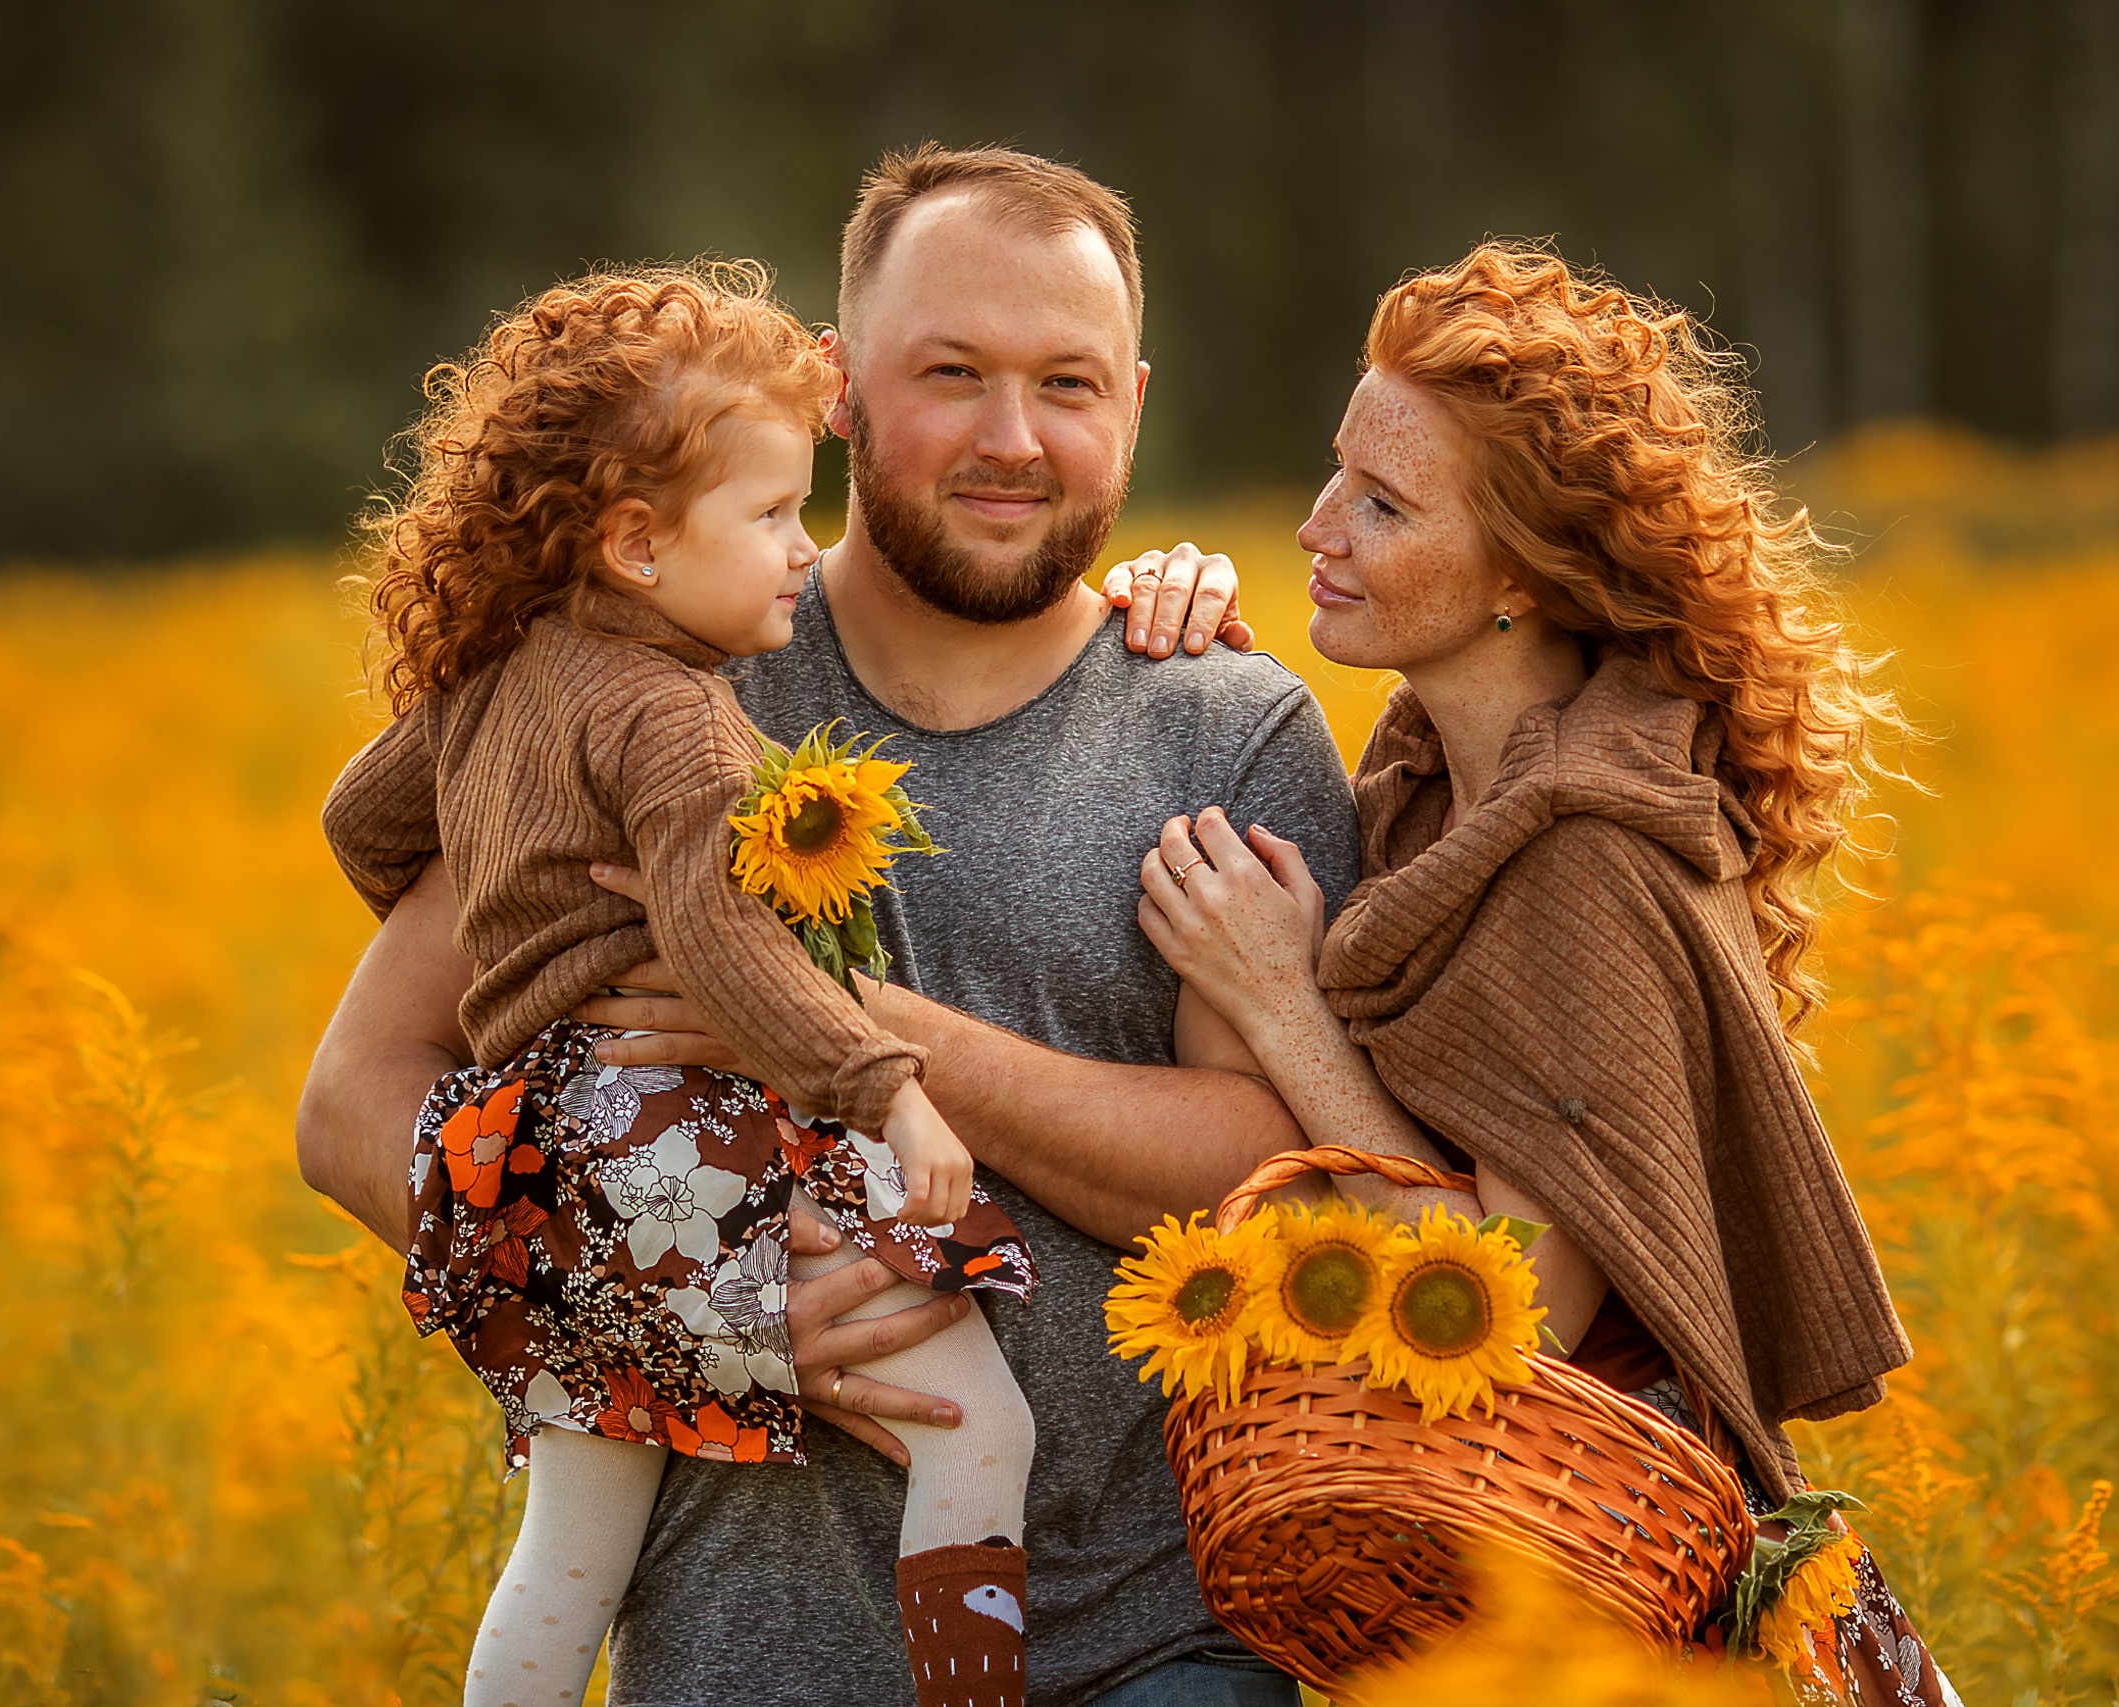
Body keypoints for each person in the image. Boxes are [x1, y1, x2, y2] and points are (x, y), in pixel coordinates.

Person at [296, 146, 1425, 1706]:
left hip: (1156, 1653)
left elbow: (1265, 1162)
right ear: (837, 385)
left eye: (1070, 384)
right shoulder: (659, 670)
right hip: (734, 1665)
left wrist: (883, 1040)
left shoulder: (1222, 725)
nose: (1013, 439)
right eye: (952, 372)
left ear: (1137, 405)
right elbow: (352, 1102)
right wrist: (679, 1301)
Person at [1136, 241, 1956, 1705]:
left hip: (1626, 1611)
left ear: (1520, 573)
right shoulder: (1422, 796)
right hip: (1510, 1583)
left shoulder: (1584, 851)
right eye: (1338, 470)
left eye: (1384, 507)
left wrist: (1282, 1004)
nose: (1319, 523)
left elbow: (1512, 1314)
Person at [324, 263, 1049, 1707]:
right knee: (984, 1438)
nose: (803, 548)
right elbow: (725, 950)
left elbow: (361, 822)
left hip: (529, 1152)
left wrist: (514, 916)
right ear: (639, 543)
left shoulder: (500, 681)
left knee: (574, 1544)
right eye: (773, 514)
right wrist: (889, 1095)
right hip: (678, 1142)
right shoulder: (683, 726)